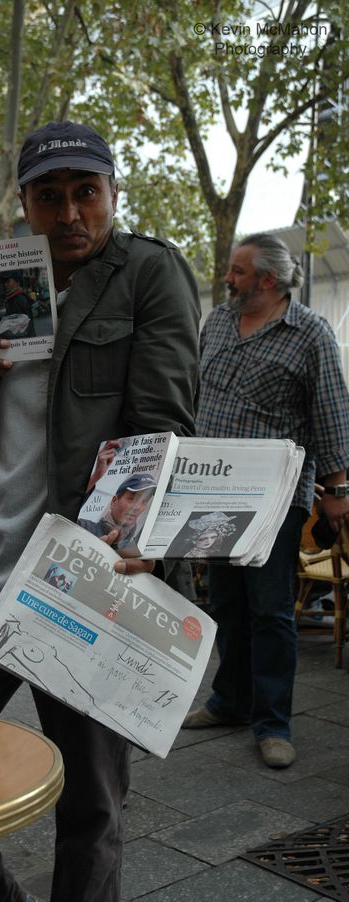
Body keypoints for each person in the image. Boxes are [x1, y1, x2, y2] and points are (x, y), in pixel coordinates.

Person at [0, 119, 200, 902]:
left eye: (85, 193)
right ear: (25, 206)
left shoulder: (148, 273)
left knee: (92, 807)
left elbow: (164, 424)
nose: (70, 213)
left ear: (110, 193)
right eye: (50, 196)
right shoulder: (9, 279)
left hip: (83, 585)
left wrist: (144, 542)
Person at [183, 233, 349, 770]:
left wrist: (338, 491)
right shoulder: (217, 324)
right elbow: (195, 397)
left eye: (237, 271)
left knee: (271, 611)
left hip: (276, 498)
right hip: (213, 490)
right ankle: (229, 701)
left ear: (268, 280)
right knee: (226, 604)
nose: (227, 279)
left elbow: (330, 415)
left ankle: (273, 722)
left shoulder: (312, 334)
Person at [77, 473, 157, 554]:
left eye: (144, 502)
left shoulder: (138, 548)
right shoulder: (82, 527)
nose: (137, 507)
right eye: (131, 499)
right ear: (114, 501)